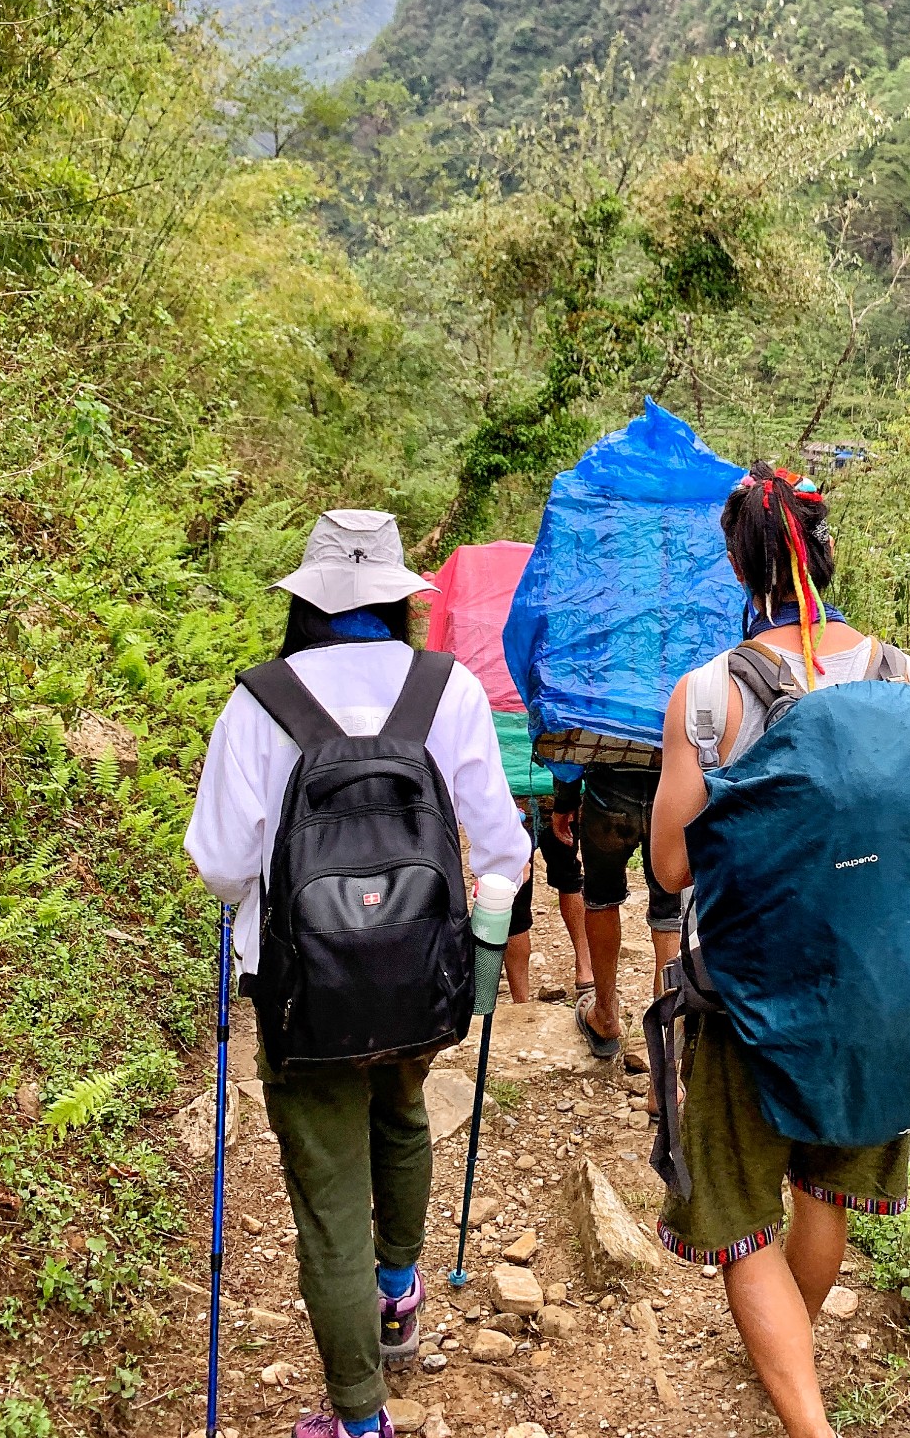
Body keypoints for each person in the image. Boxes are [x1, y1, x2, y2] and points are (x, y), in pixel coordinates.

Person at [185, 509, 530, 1438]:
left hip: (303, 994)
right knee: (404, 1110)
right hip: (420, 979)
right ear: (396, 599)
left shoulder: (260, 701)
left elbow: (220, 864)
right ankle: (399, 1286)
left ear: (307, 602)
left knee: (329, 1196)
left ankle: (356, 1419)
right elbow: (504, 847)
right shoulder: (445, 691)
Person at [650, 466, 910, 1438]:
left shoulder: (707, 693)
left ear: (740, 561)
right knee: (826, 1186)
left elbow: (672, 860)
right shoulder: (909, 680)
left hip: (745, 1000)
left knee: (738, 1209)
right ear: (824, 551)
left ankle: (807, 1417)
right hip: (876, 992)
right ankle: (793, 1359)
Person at [559, 761, 680, 1061]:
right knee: (670, 915)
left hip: (608, 787)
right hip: (673, 787)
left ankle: (605, 1016)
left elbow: (572, 724)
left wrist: (566, 799)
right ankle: (662, 1074)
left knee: (601, 900)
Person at [501, 784, 594, 1003]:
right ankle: (585, 969)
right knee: (569, 876)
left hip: (509, 788)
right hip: (557, 782)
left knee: (514, 892)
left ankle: (520, 999)